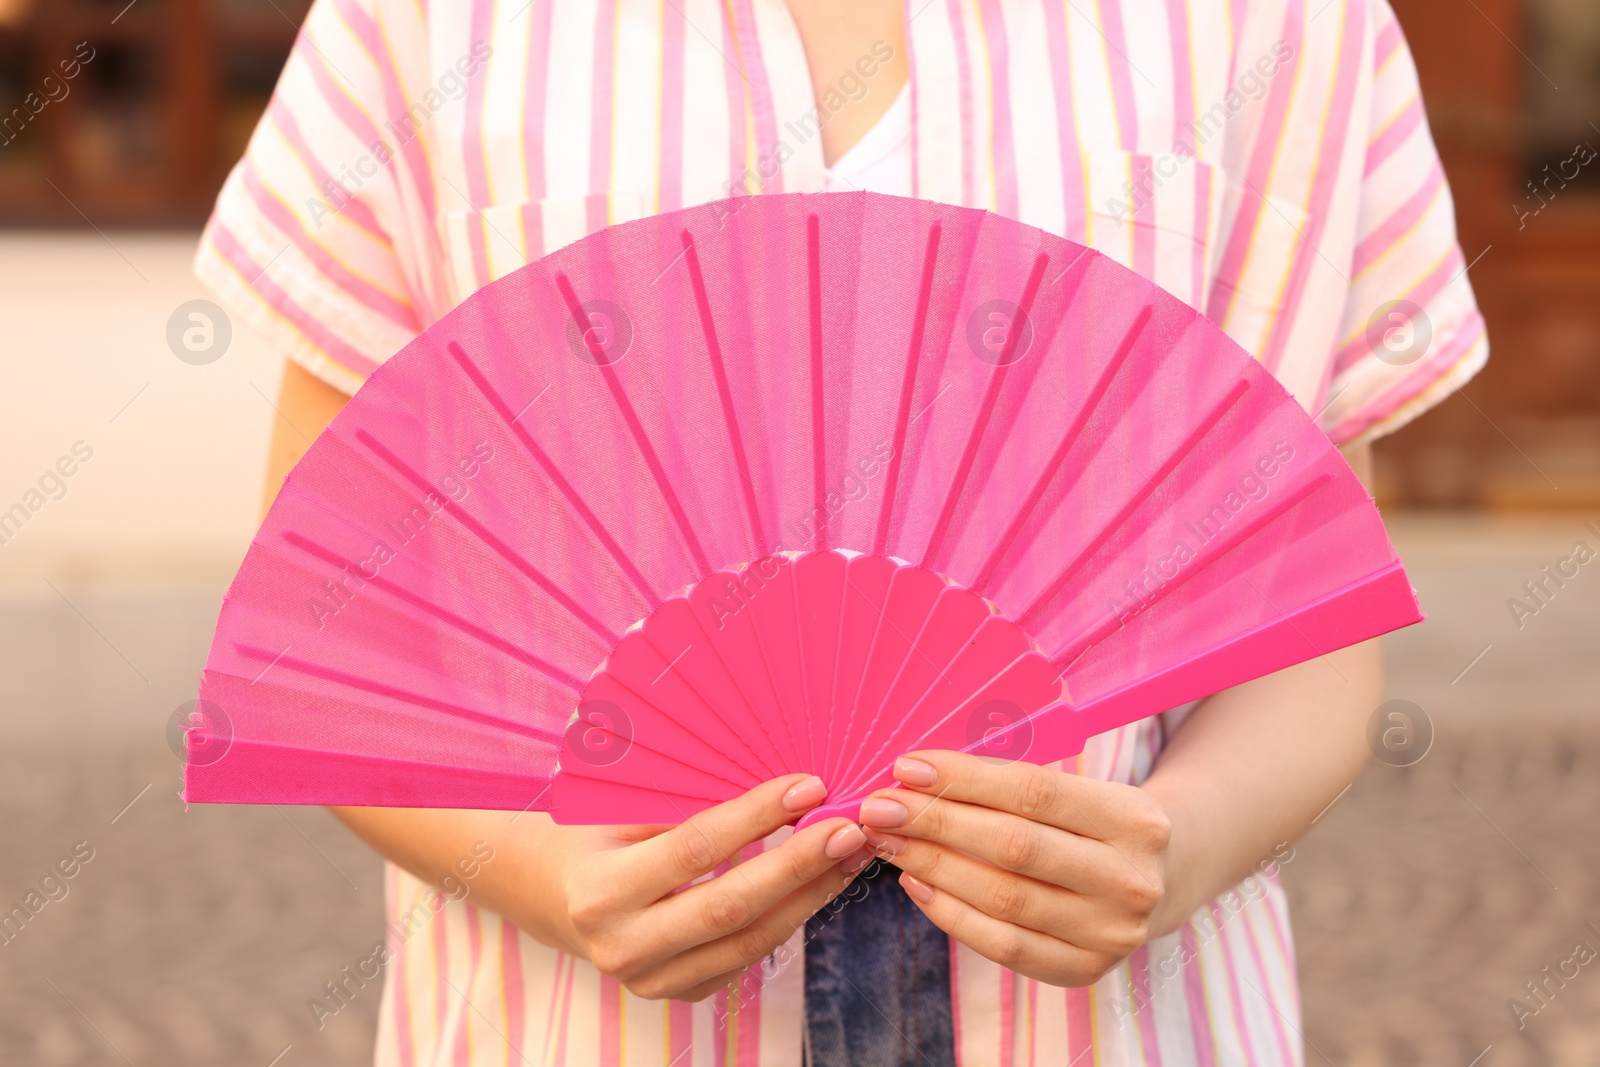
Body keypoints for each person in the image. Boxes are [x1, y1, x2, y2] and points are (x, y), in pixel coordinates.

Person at [195, 0, 1486, 1063]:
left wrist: (1188, 837)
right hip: (578, 1028)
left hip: (1116, 1025)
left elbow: (1313, 612)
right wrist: (545, 874)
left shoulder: (1286, 29)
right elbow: (329, 643)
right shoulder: (421, 26)